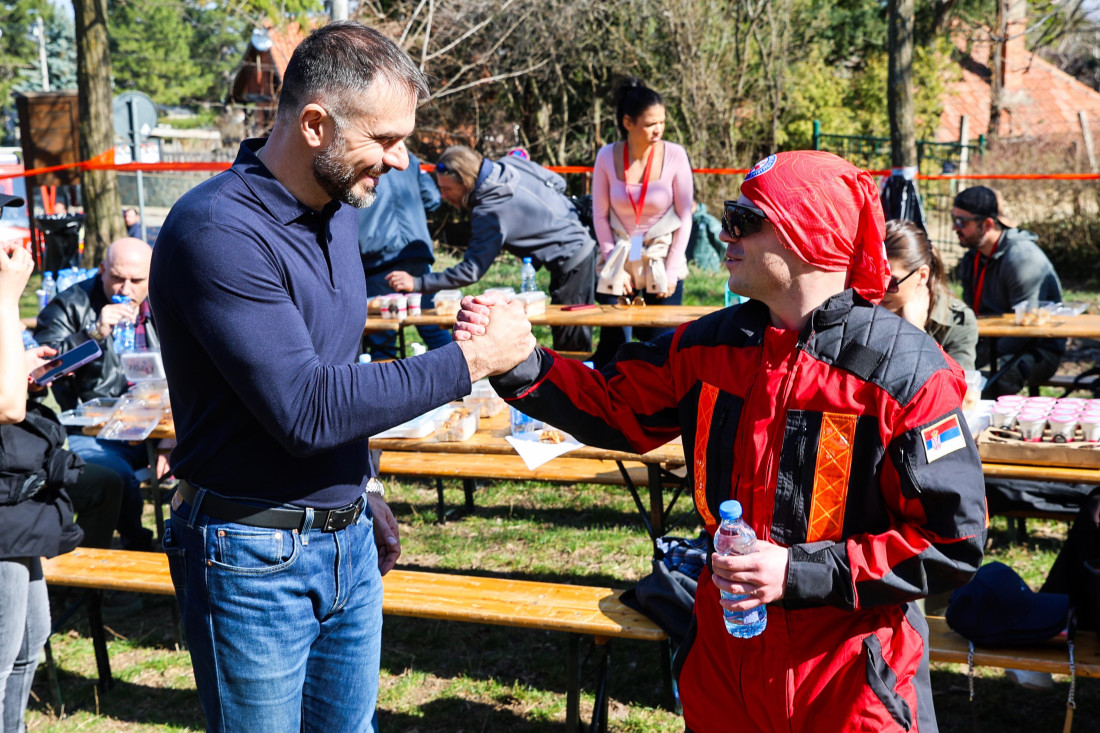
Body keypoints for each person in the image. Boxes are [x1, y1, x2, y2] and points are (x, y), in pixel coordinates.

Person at [457, 151, 986, 732]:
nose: (723, 232)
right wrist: (522, 363)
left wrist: (799, 571)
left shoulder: (906, 371)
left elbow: (951, 542)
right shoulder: (711, 344)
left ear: (809, 233)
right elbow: (615, 406)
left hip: (848, 681)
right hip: (726, 665)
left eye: (744, 218)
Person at [149, 22, 533, 733]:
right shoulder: (217, 231)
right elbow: (307, 407)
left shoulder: (336, 213)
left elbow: (335, 368)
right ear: (316, 124)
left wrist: (365, 486)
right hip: (251, 553)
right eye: (384, 139)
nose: (399, 160)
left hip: (347, 540)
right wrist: (473, 361)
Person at [0, 193, 85, 732]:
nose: (8, 230)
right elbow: (7, 406)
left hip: (16, 507)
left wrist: (23, 361)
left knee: (30, 642)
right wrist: (9, 298)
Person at [386, 144, 596, 352]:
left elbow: (472, 270)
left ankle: (582, 385)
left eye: (447, 188)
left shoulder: (489, 211)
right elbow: (558, 183)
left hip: (573, 259)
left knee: (572, 347)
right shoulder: (510, 163)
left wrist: (417, 282)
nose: (442, 196)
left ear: (465, 181)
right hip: (581, 245)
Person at [34, 237, 161, 551]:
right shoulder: (71, 304)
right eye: (117, 278)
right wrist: (93, 334)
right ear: (102, 270)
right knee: (115, 476)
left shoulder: (166, 301)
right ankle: (137, 550)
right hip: (95, 429)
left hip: (162, 425)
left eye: (137, 280)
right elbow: (43, 368)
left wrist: (172, 441)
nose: (125, 289)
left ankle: (184, 557)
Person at [589, 78, 693, 367]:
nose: (658, 129)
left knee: (663, 348)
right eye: (650, 124)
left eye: (661, 122)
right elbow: (599, 215)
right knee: (613, 347)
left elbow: (685, 216)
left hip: (661, 255)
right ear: (628, 123)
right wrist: (614, 266)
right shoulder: (607, 156)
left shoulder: (675, 155)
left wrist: (671, 272)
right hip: (620, 252)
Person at [953, 185, 1064, 397]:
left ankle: (981, 428)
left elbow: (1027, 330)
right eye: (954, 219)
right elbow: (970, 314)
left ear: (987, 224)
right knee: (947, 371)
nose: (954, 228)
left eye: (961, 222)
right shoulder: (972, 258)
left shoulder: (1022, 259)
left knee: (982, 381)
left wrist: (978, 359)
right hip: (989, 344)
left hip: (1038, 349)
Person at [358, 151, 451, 359]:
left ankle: (388, 389)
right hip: (415, 252)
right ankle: (463, 380)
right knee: (433, 327)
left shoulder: (359, 155)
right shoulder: (407, 158)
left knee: (384, 337)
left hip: (377, 257)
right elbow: (433, 199)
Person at [881, 220, 978, 371]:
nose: (879, 290)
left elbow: (957, 392)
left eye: (891, 281)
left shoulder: (956, 321)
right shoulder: (860, 308)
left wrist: (916, 332)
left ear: (922, 276)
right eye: (873, 278)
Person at [686, 199, 724, 271]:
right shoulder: (687, 223)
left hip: (710, 270)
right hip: (693, 270)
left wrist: (720, 260)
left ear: (693, 205)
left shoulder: (709, 221)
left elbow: (722, 242)